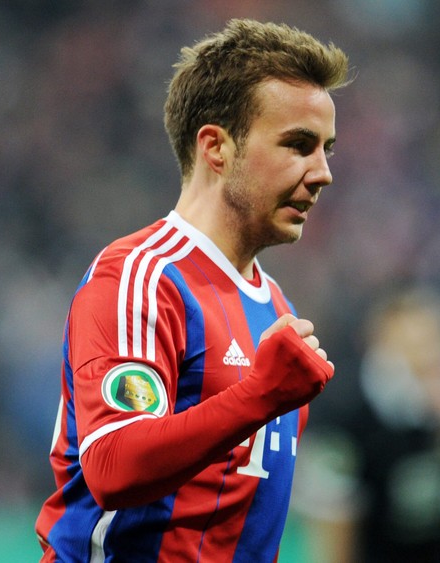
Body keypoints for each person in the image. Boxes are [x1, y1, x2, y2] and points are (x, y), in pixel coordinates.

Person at [35, 18, 351, 562]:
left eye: (326, 149)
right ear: (216, 147)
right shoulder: (141, 277)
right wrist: (260, 395)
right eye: (298, 145)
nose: (322, 172)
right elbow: (112, 465)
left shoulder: (276, 307)